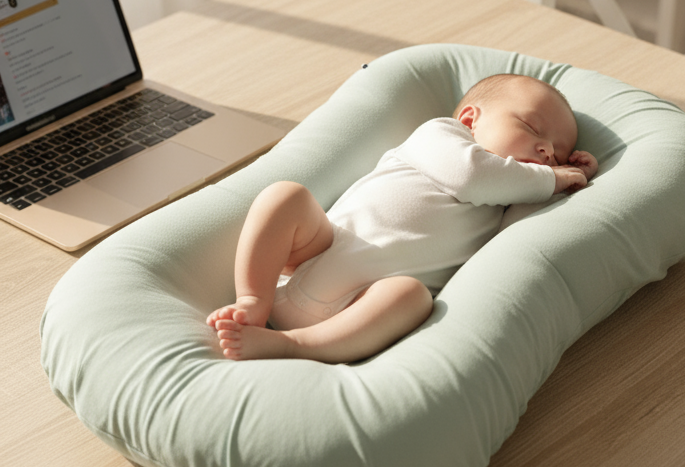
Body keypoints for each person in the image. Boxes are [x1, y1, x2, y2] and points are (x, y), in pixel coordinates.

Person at [207, 73, 598, 364]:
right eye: (532, 128)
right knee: (285, 195)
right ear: (469, 120)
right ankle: (252, 301)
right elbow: (473, 177)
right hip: (311, 256)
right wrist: (550, 178)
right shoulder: (441, 138)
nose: (547, 152)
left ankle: (292, 346)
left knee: (412, 296)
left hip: (363, 306)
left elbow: (521, 230)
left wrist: (572, 179)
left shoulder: (507, 199)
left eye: (558, 153)